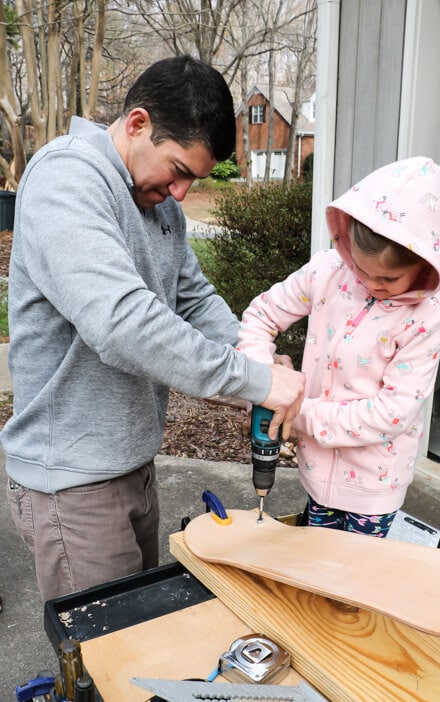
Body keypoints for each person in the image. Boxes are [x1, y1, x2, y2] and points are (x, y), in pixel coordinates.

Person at [1, 56, 304, 601]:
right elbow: (120, 322)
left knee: (140, 637)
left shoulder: (159, 204)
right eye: (179, 170)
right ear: (137, 124)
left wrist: (254, 354)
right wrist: (254, 383)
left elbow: (193, 298)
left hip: (133, 464)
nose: (183, 193)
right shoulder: (67, 179)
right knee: (103, 665)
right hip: (73, 483)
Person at [237, 156, 440, 537]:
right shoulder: (328, 272)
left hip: (374, 486)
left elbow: (392, 413)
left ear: (424, 265)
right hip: (316, 472)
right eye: (361, 268)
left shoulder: (428, 318)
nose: (370, 283)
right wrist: (265, 379)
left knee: (352, 579)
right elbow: (261, 316)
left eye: (388, 278)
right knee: (317, 565)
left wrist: (298, 412)